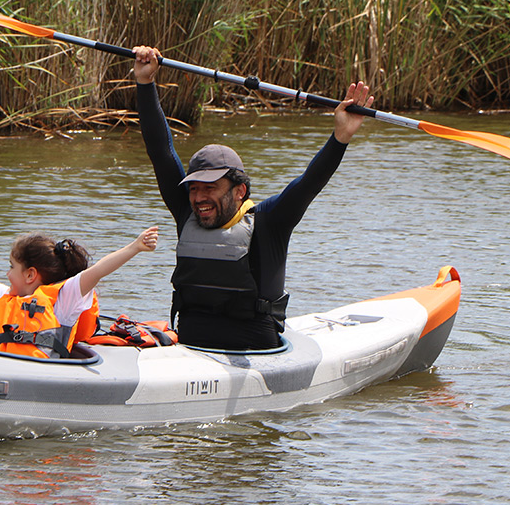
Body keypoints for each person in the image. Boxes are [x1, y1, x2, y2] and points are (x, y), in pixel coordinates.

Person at [132, 45, 373, 350]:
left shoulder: (270, 222)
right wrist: (145, 82)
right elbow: (161, 152)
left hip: (259, 351)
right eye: (194, 188)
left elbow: (309, 183)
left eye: (210, 188)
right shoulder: (187, 211)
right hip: (191, 348)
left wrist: (341, 138)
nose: (199, 197)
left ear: (239, 191)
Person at [0, 225, 159, 358]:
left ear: (30, 274)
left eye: (12, 267)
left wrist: (134, 247)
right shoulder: (2, 297)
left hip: (36, 375)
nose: (7, 274)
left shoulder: (63, 301)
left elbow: (95, 272)